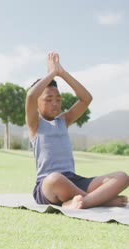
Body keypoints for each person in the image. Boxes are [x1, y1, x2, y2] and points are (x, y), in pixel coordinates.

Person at [25, 52, 129, 209]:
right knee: (55, 178)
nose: (55, 103)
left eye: (58, 100)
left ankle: (83, 201)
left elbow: (86, 98)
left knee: (122, 177)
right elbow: (31, 96)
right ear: (37, 104)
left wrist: (62, 73)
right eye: (48, 99)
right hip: (48, 185)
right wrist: (52, 73)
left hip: (74, 181)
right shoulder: (35, 124)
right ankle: (100, 200)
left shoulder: (64, 120)